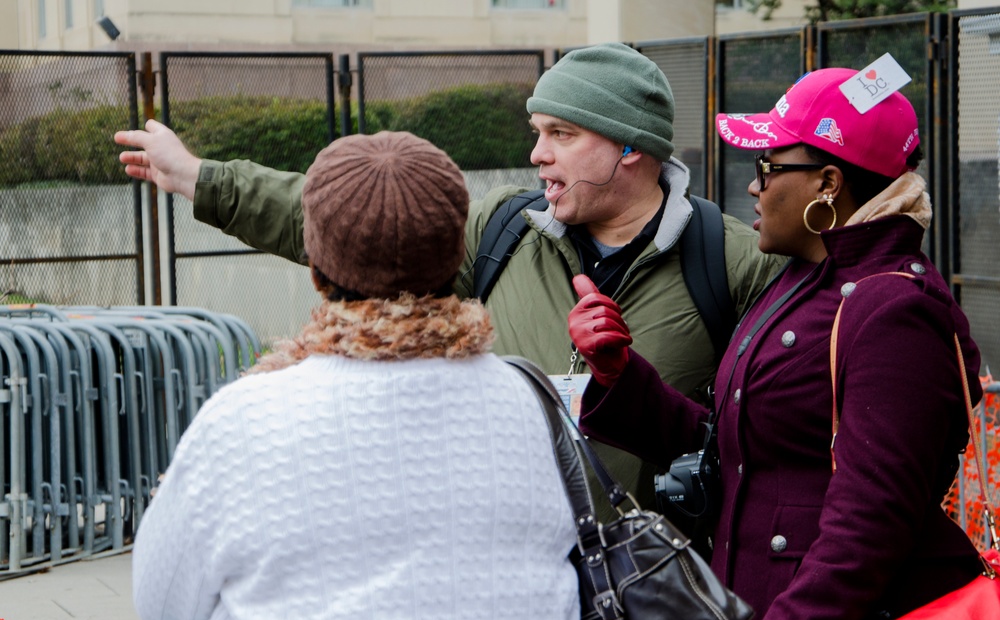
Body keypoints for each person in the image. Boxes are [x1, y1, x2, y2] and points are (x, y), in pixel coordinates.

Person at [114, 43, 784, 523]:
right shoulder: (505, 229)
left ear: (630, 147)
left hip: (634, 590)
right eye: (537, 132)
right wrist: (203, 179)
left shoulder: (733, 261)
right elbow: (365, 226)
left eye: (561, 133)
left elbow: (770, 438)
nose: (537, 153)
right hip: (500, 551)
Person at [132, 131, 597, 620]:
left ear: (318, 269)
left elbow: (162, 599)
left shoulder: (245, 419)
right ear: (456, 255)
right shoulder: (530, 401)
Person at [567, 65, 984, 620]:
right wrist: (622, 375)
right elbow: (735, 445)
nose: (753, 188)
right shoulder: (804, 278)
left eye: (767, 166)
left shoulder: (894, 310)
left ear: (827, 183)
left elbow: (867, 531)